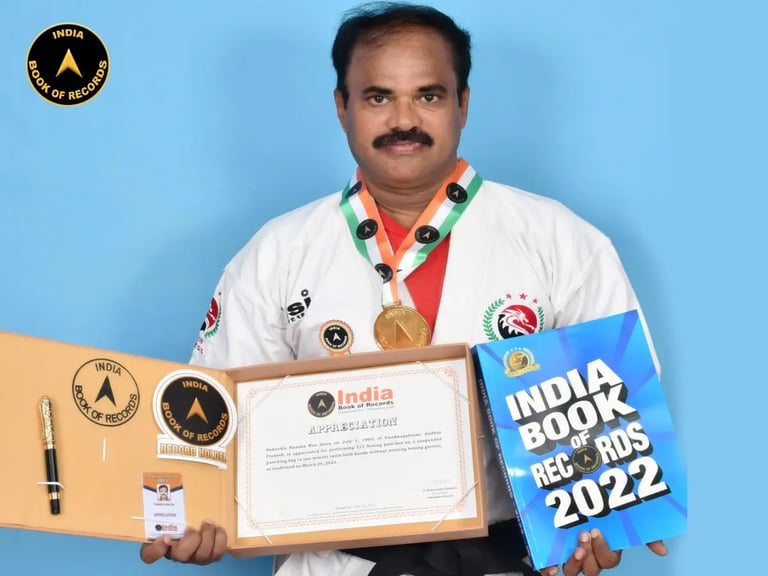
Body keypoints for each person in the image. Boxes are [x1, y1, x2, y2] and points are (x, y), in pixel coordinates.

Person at [141, 3, 668, 575]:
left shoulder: (563, 242)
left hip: (509, 560)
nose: (403, 120)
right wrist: (192, 518)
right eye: (378, 97)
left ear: (463, 104)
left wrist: (610, 518)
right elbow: (211, 427)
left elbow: (616, 415)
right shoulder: (277, 253)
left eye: (429, 95)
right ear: (342, 106)